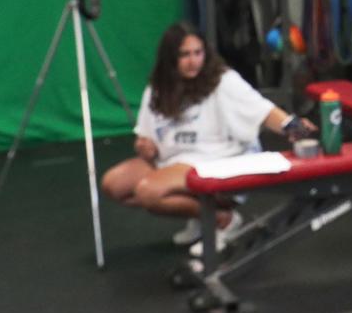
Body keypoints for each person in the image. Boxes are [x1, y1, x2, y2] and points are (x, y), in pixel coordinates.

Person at [101, 21, 314, 252]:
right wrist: (144, 147)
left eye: (198, 53)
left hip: (218, 160)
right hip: (173, 160)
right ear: (170, 58)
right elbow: (145, 141)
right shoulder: (158, 88)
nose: (193, 61)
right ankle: (202, 217)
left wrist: (296, 128)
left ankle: (223, 220)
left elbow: (262, 110)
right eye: (184, 55)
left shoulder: (223, 81)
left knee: (148, 192)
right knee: (113, 185)